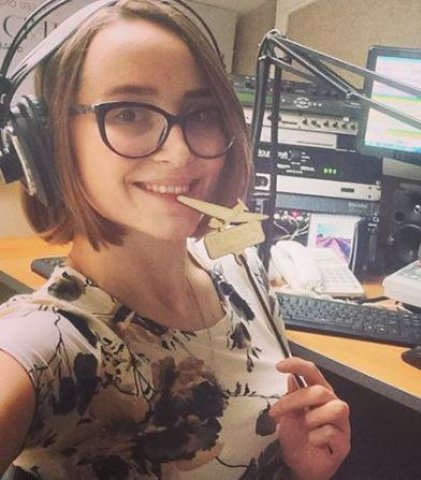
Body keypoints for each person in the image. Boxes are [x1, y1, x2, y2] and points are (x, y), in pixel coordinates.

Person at [0, 0, 350, 478]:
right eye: (129, 113)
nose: (180, 152)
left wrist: (299, 467)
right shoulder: (50, 341)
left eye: (201, 114)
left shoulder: (238, 267)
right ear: (50, 140)